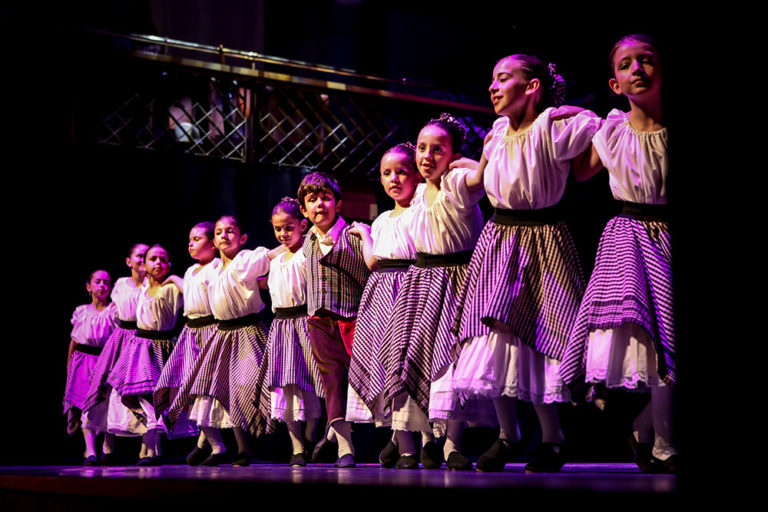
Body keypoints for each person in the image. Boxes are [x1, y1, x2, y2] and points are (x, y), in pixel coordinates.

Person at [451, 54, 602, 472]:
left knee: (538, 336)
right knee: (494, 336)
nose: (493, 87)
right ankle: (508, 434)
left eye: (504, 78)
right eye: (492, 79)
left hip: (541, 238)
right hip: (499, 239)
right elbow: (488, 176)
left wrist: (575, 111)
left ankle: (553, 437)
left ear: (532, 86)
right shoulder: (498, 132)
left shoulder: (552, 126)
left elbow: (594, 131)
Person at [560, 34, 676, 473]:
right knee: (649, 339)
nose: (638, 69)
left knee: (669, 340)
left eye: (647, 60)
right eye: (626, 65)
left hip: (668, 233)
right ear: (615, 84)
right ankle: (663, 443)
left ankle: (646, 429)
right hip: (629, 239)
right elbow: (579, 170)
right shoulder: (611, 130)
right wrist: (571, 120)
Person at [382, 114, 493, 470]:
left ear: (453, 155)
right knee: (416, 359)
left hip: (458, 279)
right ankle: (421, 439)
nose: (427, 156)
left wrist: (479, 157)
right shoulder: (417, 195)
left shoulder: (456, 182)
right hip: (421, 282)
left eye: (437, 150)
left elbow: (481, 179)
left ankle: (452, 445)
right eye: (421, 148)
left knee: (452, 363)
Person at [167, 216, 283, 467]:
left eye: (229, 231)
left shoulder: (243, 259)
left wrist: (296, 244)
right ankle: (221, 445)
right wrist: (172, 279)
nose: (224, 236)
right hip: (221, 333)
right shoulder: (211, 268)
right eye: (219, 232)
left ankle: (252, 444)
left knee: (245, 386)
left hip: (245, 330)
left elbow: (269, 258)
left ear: (242, 238)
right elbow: (192, 288)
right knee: (209, 390)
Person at [344, 143, 423, 469]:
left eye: (401, 172)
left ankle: (427, 440)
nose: (394, 179)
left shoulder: (421, 209)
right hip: (382, 295)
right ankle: (404, 445)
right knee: (388, 365)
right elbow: (373, 263)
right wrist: (365, 234)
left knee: (414, 364)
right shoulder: (382, 220)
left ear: (416, 175)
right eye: (387, 173)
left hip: (413, 287)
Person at [299, 171, 371, 468]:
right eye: (312, 200)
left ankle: (395, 440)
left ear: (338, 204)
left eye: (326, 198)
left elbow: (368, 275)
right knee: (332, 383)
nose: (320, 204)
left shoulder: (353, 235)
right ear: (304, 210)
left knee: (362, 383)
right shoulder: (307, 240)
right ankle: (344, 447)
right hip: (319, 321)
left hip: (354, 320)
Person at [107, 243, 183, 465]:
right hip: (140, 345)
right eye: (153, 259)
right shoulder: (142, 288)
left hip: (161, 346)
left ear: (169, 264)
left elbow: (192, 292)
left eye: (163, 259)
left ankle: (153, 450)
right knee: (138, 393)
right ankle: (150, 448)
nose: (158, 263)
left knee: (158, 396)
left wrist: (174, 278)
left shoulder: (171, 288)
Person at [153, 222, 222, 465]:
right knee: (187, 389)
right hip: (191, 332)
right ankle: (206, 442)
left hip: (211, 330)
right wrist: (173, 278)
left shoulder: (217, 266)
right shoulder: (191, 270)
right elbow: (190, 290)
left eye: (197, 239)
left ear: (212, 244)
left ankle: (215, 445)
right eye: (189, 240)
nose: (190, 244)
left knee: (204, 389)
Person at [266, 197, 325, 467]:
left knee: (310, 381)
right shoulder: (276, 260)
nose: (283, 234)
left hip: (305, 322)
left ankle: (312, 428)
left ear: (302, 225)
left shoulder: (306, 253)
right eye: (278, 229)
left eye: (288, 228)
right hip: (281, 326)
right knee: (286, 386)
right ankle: (297, 445)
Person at [82, 243, 149, 464]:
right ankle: (106, 447)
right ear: (129, 261)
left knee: (144, 392)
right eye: (139, 255)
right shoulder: (121, 284)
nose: (143, 260)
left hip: (145, 338)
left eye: (147, 256)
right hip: (122, 340)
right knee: (111, 390)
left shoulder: (153, 284)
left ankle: (148, 449)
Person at [63, 270, 118, 466]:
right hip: (83, 361)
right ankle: (90, 450)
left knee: (107, 404)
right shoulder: (81, 312)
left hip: (106, 360)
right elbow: (74, 341)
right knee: (86, 403)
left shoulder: (113, 311)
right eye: (98, 281)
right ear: (89, 286)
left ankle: (108, 448)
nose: (102, 285)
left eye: (106, 282)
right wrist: (70, 366)